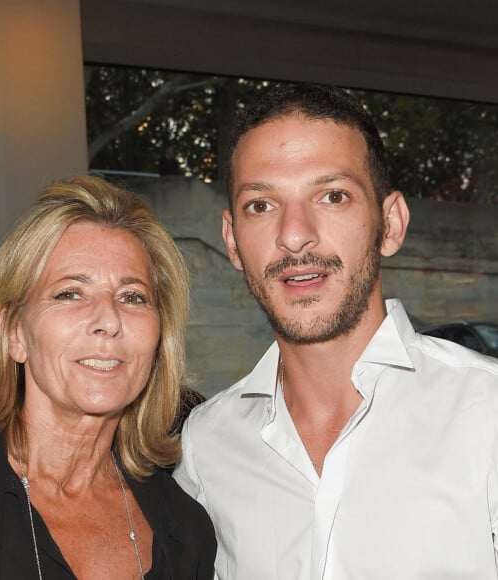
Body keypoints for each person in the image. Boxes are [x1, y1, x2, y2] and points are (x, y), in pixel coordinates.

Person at [173, 83, 498, 579]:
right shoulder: (207, 445)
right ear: (232, 241)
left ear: (390, 224)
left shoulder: (486, 412)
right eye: (261, 205)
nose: (294, 234)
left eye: (332, 196)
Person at [0, 175, 216, 579]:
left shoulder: (187, 528)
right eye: (70, 293)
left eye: (132, 297)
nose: (108, 320)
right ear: (14, 333)